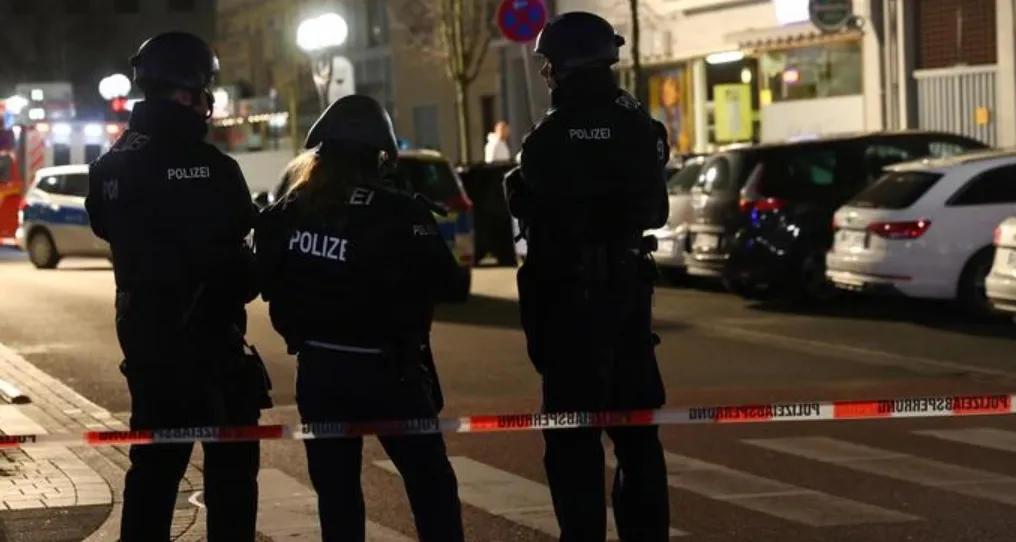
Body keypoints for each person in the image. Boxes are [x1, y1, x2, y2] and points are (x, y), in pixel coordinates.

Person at [254, 94, 465, 542]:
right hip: (392, 374)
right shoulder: (399, 210)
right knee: (431, 485)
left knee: (337, 496)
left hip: (319, 372)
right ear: (379, 156)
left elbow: (260, 277)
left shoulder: (292, 209)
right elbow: (450, 284)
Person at [85, 32, 267, 542]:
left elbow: (106, 227)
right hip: (212, 352)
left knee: (153, 478)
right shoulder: (217, 170)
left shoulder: (110, 166)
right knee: (232, 481)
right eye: (206, 87)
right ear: (189, 90)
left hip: (147, 348)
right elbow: (240, 272)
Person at [503, 11, 672, 542]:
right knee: (638, 440)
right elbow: (656, 210)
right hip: (628, 301)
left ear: (564, 65)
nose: (545, 73)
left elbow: (533, 204)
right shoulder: (640, 125)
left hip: (569, 306)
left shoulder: (549, 136)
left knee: (573, 444)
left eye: (549, 63)